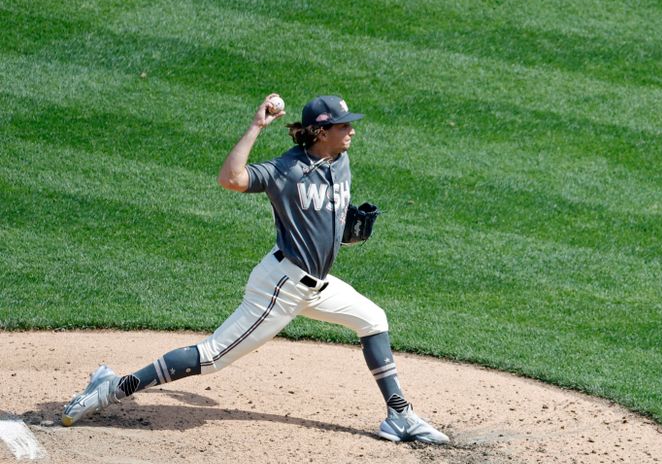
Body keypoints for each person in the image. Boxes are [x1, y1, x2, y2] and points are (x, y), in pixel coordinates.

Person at [61, 93, 449, 444]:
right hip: (281, 287)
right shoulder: (286, 170)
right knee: (212, 356)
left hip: (318, 285)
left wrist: (342, 232)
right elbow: (230, 178)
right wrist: (256, 126)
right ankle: (113, 386)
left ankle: (399, 415)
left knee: (373, 319)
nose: (351, 131)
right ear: (320, 131)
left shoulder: (339, 161)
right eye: (343, 125)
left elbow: (325, 212)